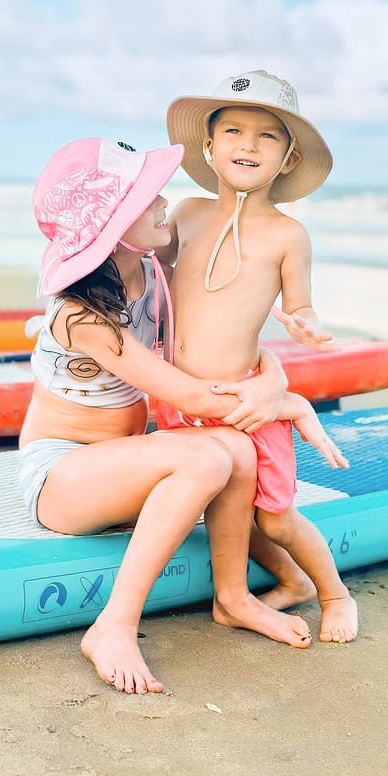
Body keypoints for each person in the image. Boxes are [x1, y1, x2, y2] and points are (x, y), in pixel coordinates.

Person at [19, 137, 342, 695]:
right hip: (62, 478)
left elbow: (217, 323)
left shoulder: (148, 270)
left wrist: (276, 373)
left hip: (121, 469)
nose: (164, 200)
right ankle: (113, 626)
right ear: (116, 224)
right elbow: (192, 397)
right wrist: (290, 403)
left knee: (236, 449)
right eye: (148, 197)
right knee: (203, 454)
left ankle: (233, 598)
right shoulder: (82, 314)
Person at [159, 70, 358, 644]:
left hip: (247, 402)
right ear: (209, 145)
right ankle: (285, 584)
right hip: (181, 398)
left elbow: (302, 306)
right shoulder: (187, 213)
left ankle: (333, 594)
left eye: (268, 137)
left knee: (272, 515)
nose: (248, 145)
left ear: (289, 159)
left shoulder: (287, 235)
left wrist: (305, 327)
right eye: (235, 132)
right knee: (227, 507)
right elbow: (153, 277)